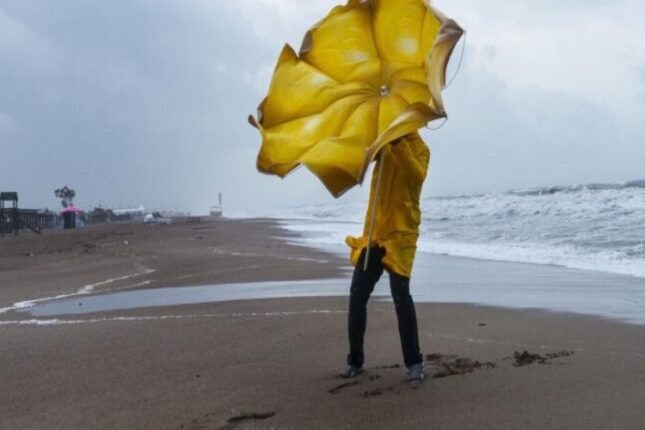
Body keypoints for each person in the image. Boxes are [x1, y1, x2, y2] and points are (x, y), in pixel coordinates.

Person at [341, 132, 430, 382]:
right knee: (358, 293)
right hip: (375, 234)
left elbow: (416, 176)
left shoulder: (421, 148)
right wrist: (374, 146)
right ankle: (355, 361)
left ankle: (414, 363)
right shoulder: (382, 144)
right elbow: (361, 161)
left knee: (400, 294)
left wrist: (397, 144)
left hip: (401, 235)